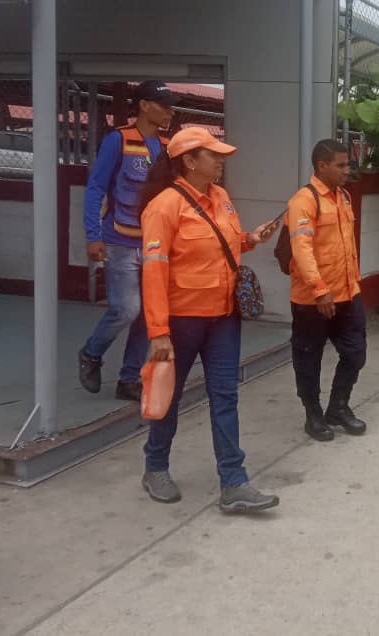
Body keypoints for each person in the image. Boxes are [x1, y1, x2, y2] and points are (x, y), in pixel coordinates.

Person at [139, 127, 282, 511]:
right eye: (213, 155)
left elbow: (224, 244)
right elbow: (153, 272)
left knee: (225, 396)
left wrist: (251, 239)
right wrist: (158, 332)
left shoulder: (220, 197)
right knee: (167, 396)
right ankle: (155, 467)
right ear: (188, 161)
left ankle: (234, 483)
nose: (221, 161)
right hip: (181, 320)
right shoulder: (164, 206)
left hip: (223, 317)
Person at [78, 81, 175, 401]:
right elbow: (95, 189)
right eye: (162, 104)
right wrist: (93, 236)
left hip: (153, 245)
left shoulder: (165, 146)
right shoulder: (118, 140)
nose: (168, 111)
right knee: (127, 309)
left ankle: (129, 379)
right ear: (144, 106)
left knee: (149, 314)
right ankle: (91, 353)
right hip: (119, 240)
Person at [286, 139, 366, 442]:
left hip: (347, 293)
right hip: (313, 300)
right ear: (322, 166)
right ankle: (313, 414)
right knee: (309, 359)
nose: (347, 170)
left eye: (348, 164)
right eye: (341, 165)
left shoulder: (343, 197)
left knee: (356, 353)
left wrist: (352, 285)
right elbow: (302, 249)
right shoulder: (304, 201)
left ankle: (338, 407)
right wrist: (320, 290)